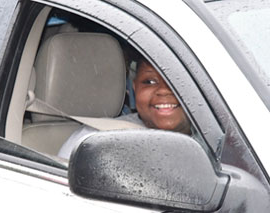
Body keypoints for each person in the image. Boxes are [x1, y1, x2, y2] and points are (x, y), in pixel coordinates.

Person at [57, 57, 192, 159]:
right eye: (149, 82)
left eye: (176, 81)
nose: (163, 91)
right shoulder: (93, 141)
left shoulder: (210, 137)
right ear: (135, 88)